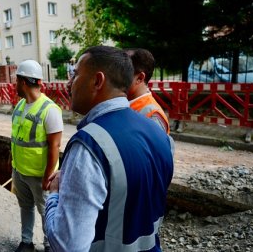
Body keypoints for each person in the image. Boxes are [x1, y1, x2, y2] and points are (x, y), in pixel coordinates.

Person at [45, 46, 174, 251]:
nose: (69, 83)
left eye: (76, 74)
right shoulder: (159, 133)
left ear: (97, 81)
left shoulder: (89, 146)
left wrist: (55, 195)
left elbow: (67, 245)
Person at [11, 60, 63, 252]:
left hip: (40, 175)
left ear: (23, 81)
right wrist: (13, 164)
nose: (14, 84)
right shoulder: (19, 107)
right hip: (20, 170)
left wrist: (48, 177)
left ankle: (50, 245)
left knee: (46, 211)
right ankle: (27, 241)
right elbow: (16, 139)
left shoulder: (49, 110)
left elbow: (54, 146)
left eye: (16, 80)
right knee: (26, 207)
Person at [125, 48, 170, 133]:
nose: (115, 76)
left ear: (140, 78)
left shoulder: (153, 116)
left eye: (122, 72)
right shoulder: (121, 102)